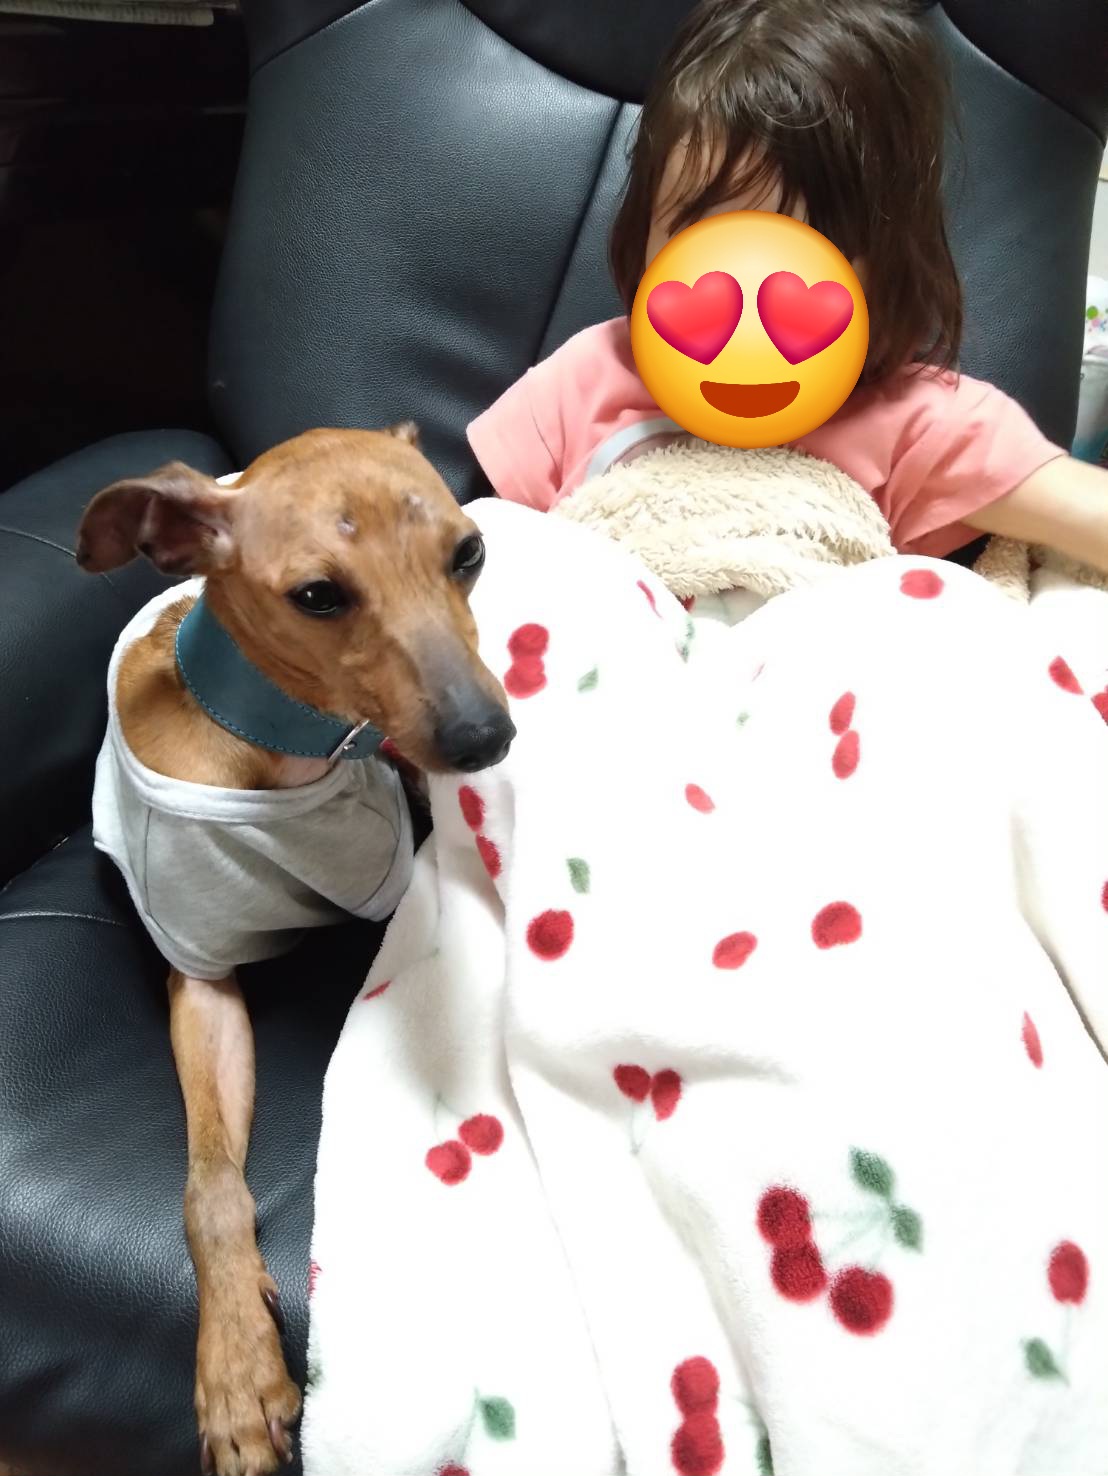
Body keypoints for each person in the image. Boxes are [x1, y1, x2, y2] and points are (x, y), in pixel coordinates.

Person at [467, 0, 1108, 567]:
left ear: (887, 267)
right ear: (642, 238)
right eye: (706, 239)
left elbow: (1084, 513)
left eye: (809, 249)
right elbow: (484, 566)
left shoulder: (919, 424)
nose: (749, 317)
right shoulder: (584, 381)